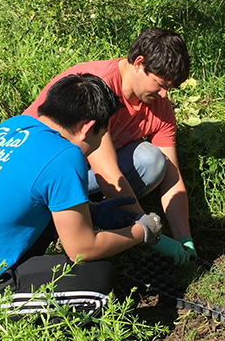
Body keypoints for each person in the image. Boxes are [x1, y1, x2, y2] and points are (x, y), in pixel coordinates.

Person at [0, 74, 165, 338]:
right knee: (98, 282)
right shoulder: (65, 155)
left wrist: (95, 212)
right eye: (100, 136)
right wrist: (142, 230)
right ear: (87, 128)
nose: (96, 147)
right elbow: (82, 249)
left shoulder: (15, 126)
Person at [23, 28, 195, 265]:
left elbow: (172, 176)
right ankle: (73, 223)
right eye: (160, 84)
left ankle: (97, 214)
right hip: (41, 168)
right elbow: (107, 172)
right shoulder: (97, 88)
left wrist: (184, 237)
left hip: (81, 169)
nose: (165, 95)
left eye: (170, 88)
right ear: (139, 63)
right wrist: (148, 230)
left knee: (153, 161)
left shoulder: (158, 104)